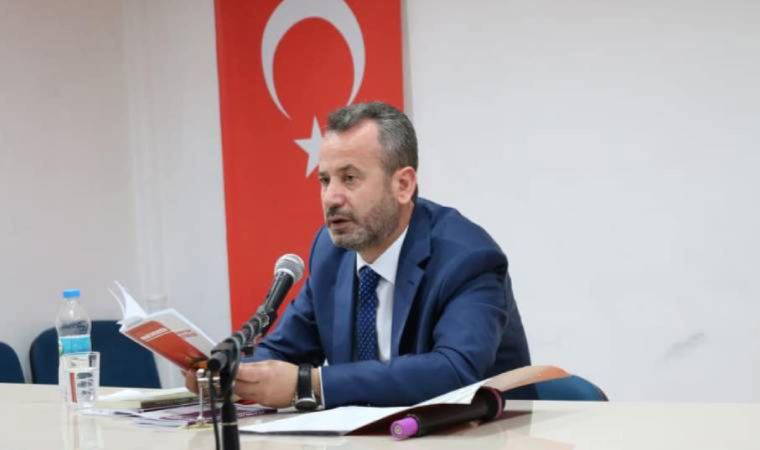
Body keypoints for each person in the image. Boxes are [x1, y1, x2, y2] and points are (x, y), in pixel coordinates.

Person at [186, 101, 532, 409]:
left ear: (403, 185)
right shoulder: (330, 252)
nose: (331, 198)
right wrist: (225, 375)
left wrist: (310, 384)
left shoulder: (467, 258)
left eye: (349, 178)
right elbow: (282, 352)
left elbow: (456, 372)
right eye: (325, 180)